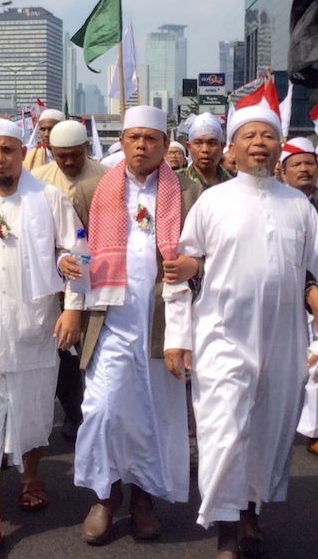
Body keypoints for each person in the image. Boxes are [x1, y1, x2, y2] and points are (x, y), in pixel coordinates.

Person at [163, 106, 318, 559]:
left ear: (278, 146)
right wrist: (178, 337)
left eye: (267, 136)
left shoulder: (301, 207)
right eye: (248, 135)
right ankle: (226, 529)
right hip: (223, 337)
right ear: (232, 149)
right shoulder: (213, 202)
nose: (258, 143)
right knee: (224, 430)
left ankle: (250, 509)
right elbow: (180, 271)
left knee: (270, 430)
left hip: (283, 341)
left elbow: (312, 274)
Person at [71, 105, 202, 545]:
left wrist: (193, 266)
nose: (142, 145)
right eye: (134, 138)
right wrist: (67, 274)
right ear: (121, 143)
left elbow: (205, 254)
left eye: (152, 138)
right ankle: (105, 496)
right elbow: (74, 254)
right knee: (105, 410)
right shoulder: (91, 191)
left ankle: (144, 497)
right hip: (108, 321)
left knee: (154, 415)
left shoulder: (186, 193)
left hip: (162, 324)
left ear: (165, 145)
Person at [0, 118, 83, 556]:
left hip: (36, 329)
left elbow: (75, 249)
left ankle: (31, 475)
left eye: (7, 150)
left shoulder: (49, 197)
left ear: (23, 151)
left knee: (33, 415)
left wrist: (72, 306)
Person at [32, 119, 108, 440]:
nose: (68, 162)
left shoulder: (106, 179)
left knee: (92, 351)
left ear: (86, 150)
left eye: (74, 155)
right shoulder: (38, 181)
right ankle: (73, 411)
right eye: (60, 156)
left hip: (100, 279)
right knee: (63, 352)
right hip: (53, 283)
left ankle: (94, 414)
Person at [280, 137, 318, 457]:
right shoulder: (279, 207)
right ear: (283, 171)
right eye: (297, 164)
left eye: (310, 163)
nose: (304, 169)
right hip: (291, 301)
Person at [179, 112, 232, 189]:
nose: (205, 150)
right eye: (198, 143)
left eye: (212, 143)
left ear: (222, 147)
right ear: (189, 147)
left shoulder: (233, 183)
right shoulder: (175, 182)